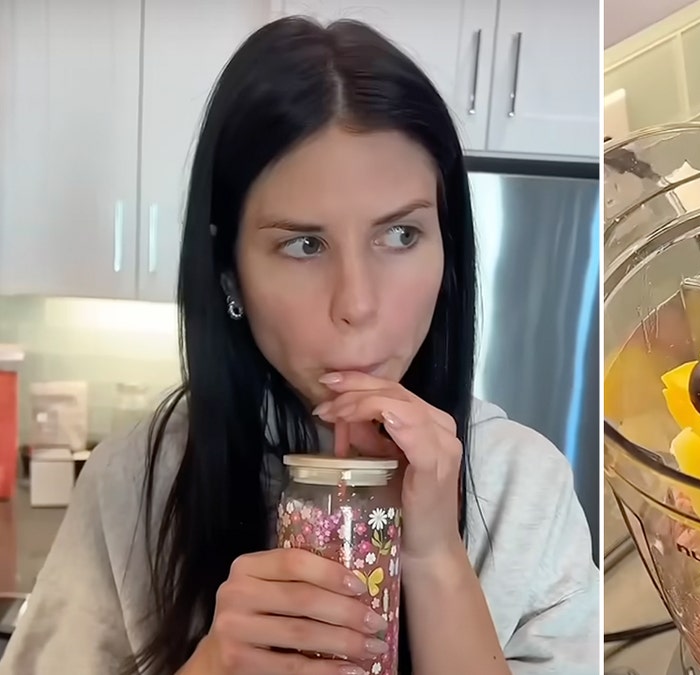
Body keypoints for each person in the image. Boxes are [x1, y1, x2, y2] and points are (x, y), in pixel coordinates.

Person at [0, 16, 599, 675]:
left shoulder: (523, 491)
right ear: (229, 272)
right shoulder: (131, 485)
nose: (357, 304)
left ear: (448, 248)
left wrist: (433, 557)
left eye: (400, 235)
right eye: (305, 244)